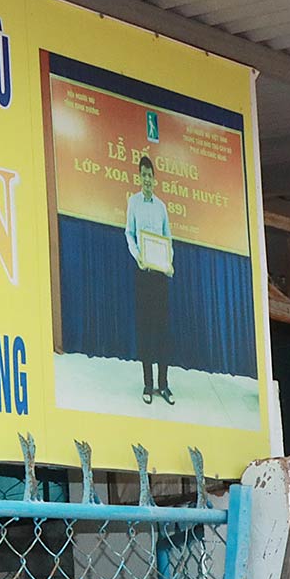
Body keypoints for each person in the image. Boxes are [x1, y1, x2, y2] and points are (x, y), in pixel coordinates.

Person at [123, 153, 175, 405]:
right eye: (143, 175)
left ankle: (164, 384)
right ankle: (148, 384)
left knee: (162, 330)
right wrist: (138, 258)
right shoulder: (133, 202)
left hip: (160, 275)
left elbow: (168, 239)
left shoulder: (161, 206)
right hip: (142, 273)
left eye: (150, 175)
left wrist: (169, 264)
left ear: (155, 179)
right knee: (146, 328)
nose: (146, 179)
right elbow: (129, 234)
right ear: (139, 176)